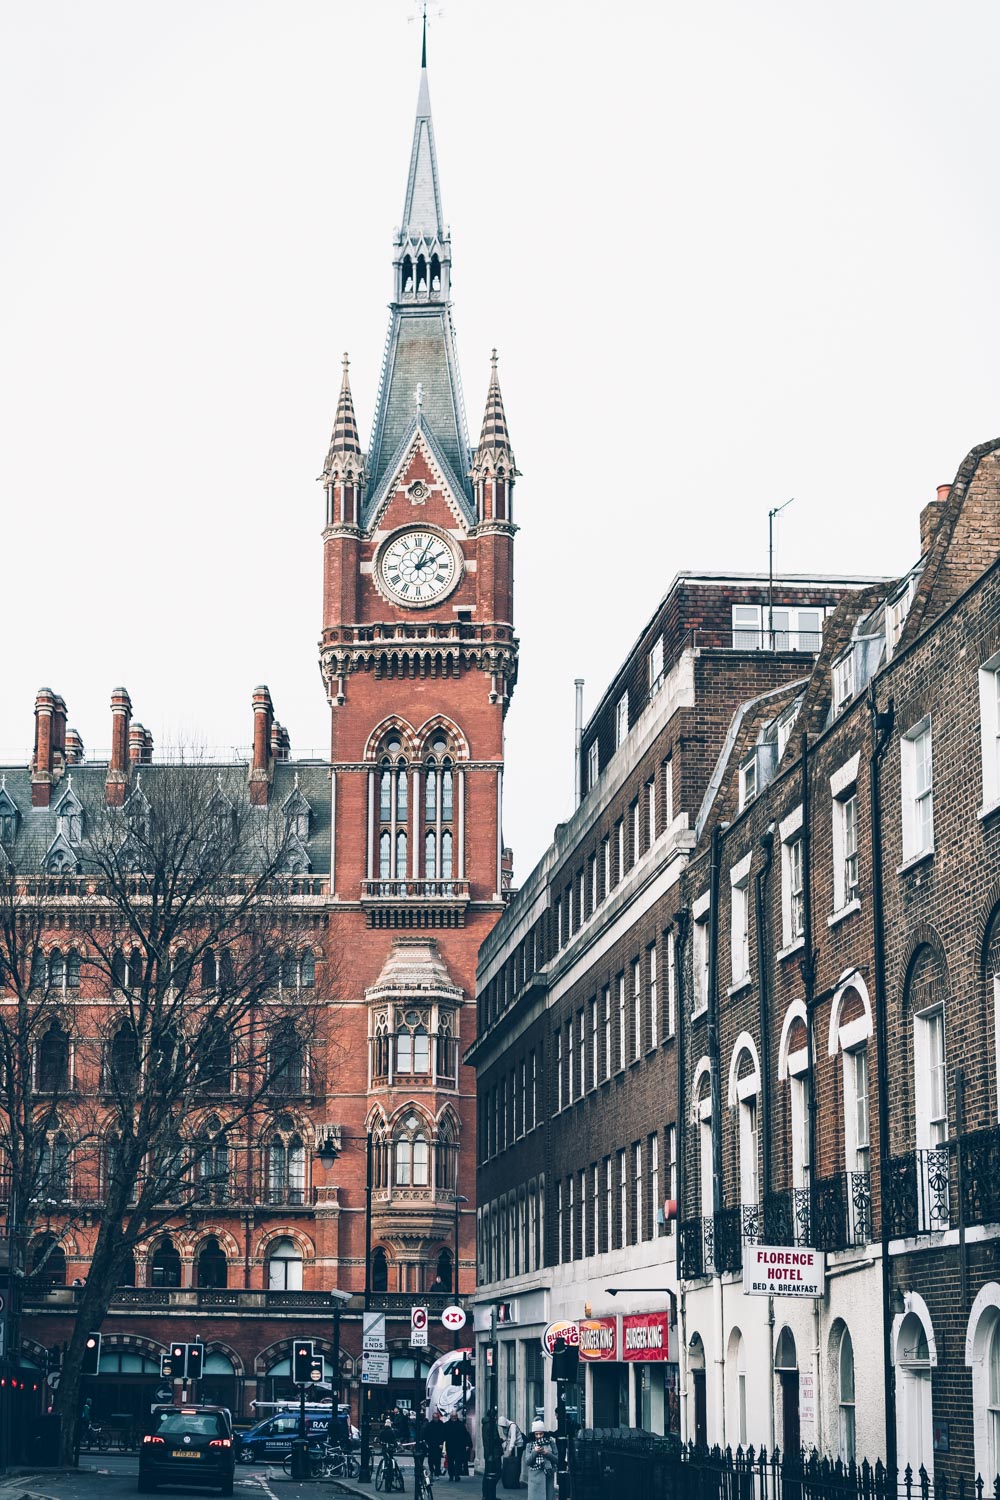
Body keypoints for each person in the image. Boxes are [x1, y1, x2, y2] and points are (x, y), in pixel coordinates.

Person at [520, 1421, 557, 1500]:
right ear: (533, 1434)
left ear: (544, 1433)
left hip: (548, 1477)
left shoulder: (550, 1442)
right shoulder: (529, 1444)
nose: (539, 1436)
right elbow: (528, 1462)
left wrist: (547, 1453)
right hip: (535, 1479)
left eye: (541, 1433)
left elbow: (557, 1459)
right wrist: (534, 1452)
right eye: (536, 1434)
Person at [443, 1411, 471, 1483]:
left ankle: (456, 1475)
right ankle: (451, 1475)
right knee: (451, 1462)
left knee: (458, 1461)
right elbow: (443, 1435)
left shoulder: (460, 1424)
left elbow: (465, 1435)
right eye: (453, 1416)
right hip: (450, 1446)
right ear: (451, 1416)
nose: (454, 1417)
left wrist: (468, 1444)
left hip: (459, 1446)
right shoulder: (447, 1425)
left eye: (455, 1416)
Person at [499, 1416, 525, 1489]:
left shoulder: (512, 1426)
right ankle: (511, 1480)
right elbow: (507, 1438)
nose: (502, 1427)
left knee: (517, 1463)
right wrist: (505, 1447)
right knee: (512, 1464)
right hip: (512, 1445)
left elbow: (513, 1438)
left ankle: (516, 1481)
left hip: (518, 1445)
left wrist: (510, 1449)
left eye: (503, 1425)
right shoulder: (505, 1427)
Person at [424, 1410, 445, 1478]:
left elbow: (442, 1434)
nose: (435, 1419)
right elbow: (427, 1434)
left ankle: (436, 1473)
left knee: (437, 1460)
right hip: (431, 1444)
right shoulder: (430, 1425)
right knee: (430, 1460)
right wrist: (427, 1442)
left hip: (438, 1444)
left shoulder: (441, 1424)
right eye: (434, 1417)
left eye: (436, 1417)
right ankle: (432, 1471)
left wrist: (441, 1443)